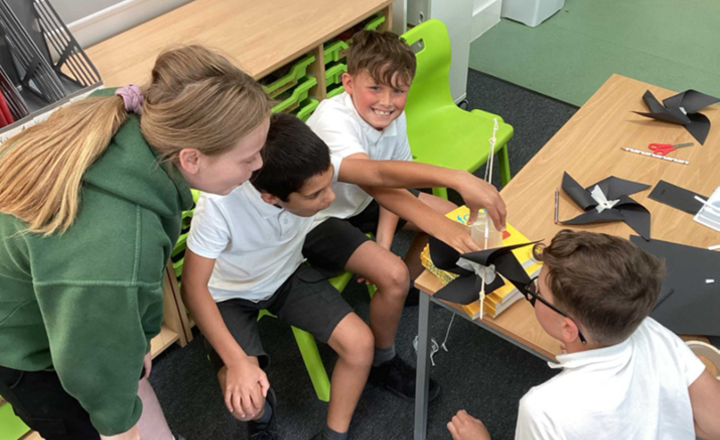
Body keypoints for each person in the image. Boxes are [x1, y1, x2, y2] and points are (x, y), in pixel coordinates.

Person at [0, 45, 272, 440]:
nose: (259, 165)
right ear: (191, 158)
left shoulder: (136, 118)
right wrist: (120, 428)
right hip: (27, 349)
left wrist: (138, 336)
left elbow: (113, 324)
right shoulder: (113, 250)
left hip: (67, 302)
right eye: (247, 158)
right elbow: (94, 366)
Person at [182, 112, 507, 440]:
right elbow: (194, 289)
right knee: (246, 393)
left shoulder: (303, 171)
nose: (330, 198)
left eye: (327, 186)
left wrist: (458, 179)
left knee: (361, 343)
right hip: (228, 297)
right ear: (271, 197)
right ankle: (261, 421)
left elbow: (377, 173)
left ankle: (333, 436)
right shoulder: (219, 205)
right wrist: (237, 362)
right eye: (315, 196)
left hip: (285, 275)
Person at [304, 29, 507, 401]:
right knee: (395, 270)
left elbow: (388, 188)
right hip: (316, 220)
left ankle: (404, 290)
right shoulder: (332, 120)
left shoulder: (391, 118)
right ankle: (384, 362)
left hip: (364, 200)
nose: (388, 102)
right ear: (348, 83)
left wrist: (384, 243)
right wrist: (458, 177)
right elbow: (374, 175)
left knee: (453, 218)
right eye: (376, 89)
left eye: (398, 91)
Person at [447, 230, 720, 440]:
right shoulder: (653, 332)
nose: (533, 292)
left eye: (538, 292)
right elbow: (714, 424)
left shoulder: (543, 409)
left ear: (568, 328)